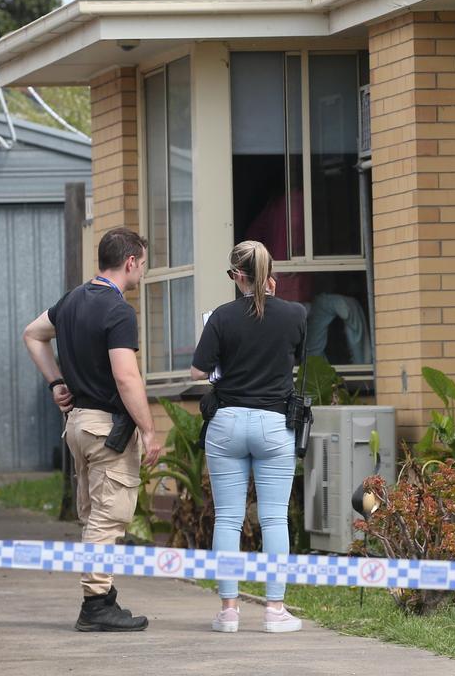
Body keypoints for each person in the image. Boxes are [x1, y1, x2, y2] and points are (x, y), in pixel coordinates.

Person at [22, 227, 163, 632]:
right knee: (109, 516)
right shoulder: (119, 311)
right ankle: (96, 605)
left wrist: (56, 382)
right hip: (106, 429)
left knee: (93, 514)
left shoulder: (71, 300)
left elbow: (32, 335)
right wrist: (149, 430)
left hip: (78, 425)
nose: (142, 271)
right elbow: (126, 377)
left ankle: (104, 595)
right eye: (143, 263)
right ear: (131, 261)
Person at [190, 240, 306, 634]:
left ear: (237, 276)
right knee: (274, 518)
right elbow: (298, 358)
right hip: (274, 424)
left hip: (227, 423)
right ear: (268, 274)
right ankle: (274, 611)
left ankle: (228, 611)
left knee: (228, 518)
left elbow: (196, 371)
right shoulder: (294, 314)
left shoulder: (221, 317)